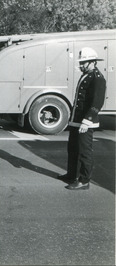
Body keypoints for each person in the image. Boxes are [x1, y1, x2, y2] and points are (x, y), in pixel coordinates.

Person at [57, 47, 106, 190]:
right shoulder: (86, 74)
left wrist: (87, 120)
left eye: (84, 62)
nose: (81, 65)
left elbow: (97, 102)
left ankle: (84, 181)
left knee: (84, 151)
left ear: (92, 62)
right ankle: (72, 175)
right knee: (72, 149)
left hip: (86, 122)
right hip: (77, 120)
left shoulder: (98, 78)